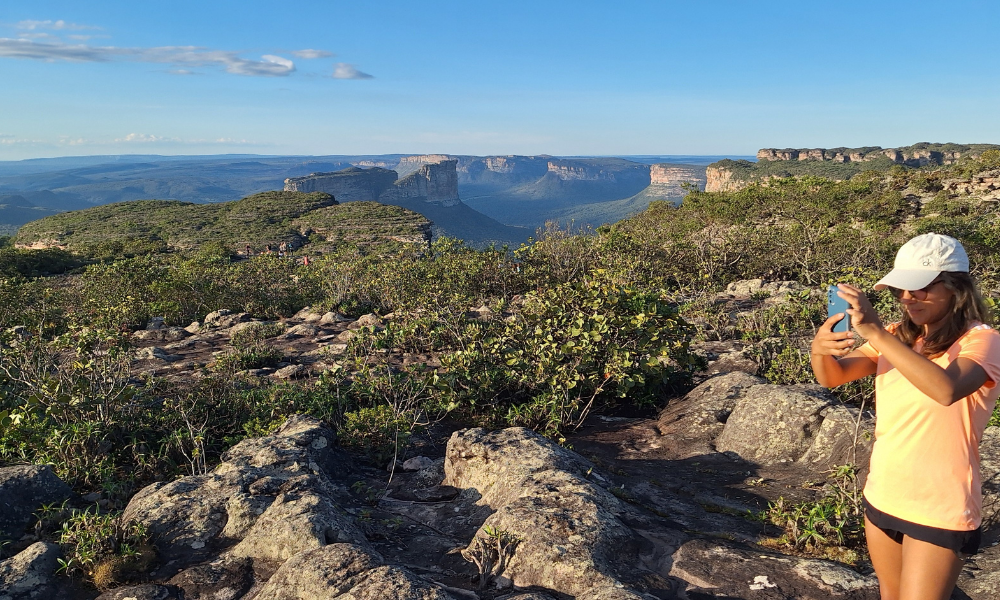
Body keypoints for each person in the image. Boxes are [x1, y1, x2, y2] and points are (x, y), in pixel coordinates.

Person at [811, 233, 1000, 600]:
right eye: (900, 289)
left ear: (956, 286)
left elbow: (945, 390)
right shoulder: (899, 336)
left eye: (919, 288)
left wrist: (877, 334)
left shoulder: (984, 340)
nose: (906, 298)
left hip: (940, 503)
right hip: (884, 491)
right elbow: (833, 376)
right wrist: (821, 350)